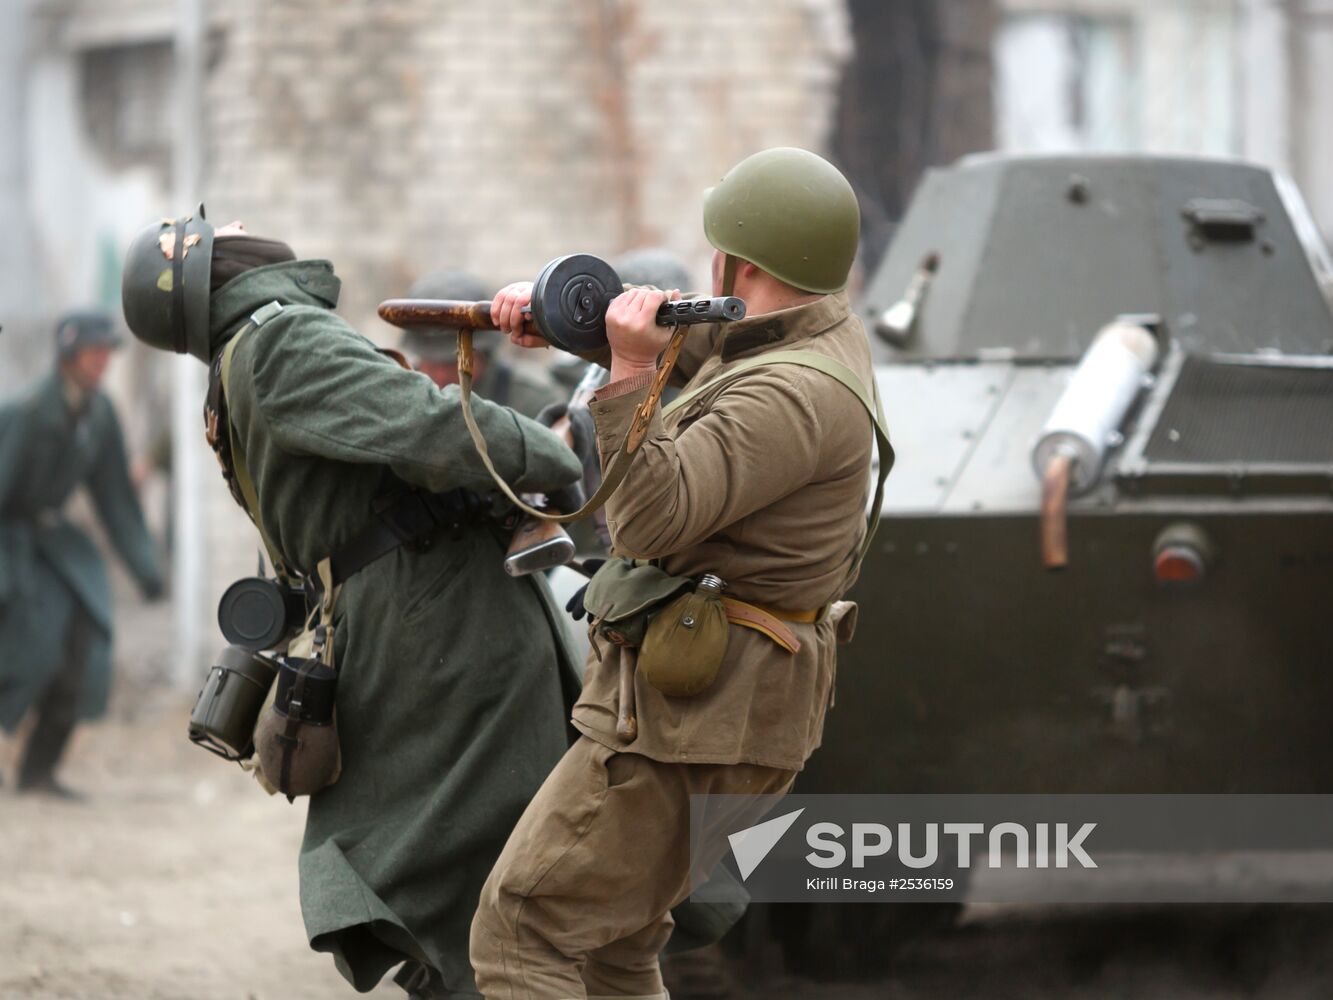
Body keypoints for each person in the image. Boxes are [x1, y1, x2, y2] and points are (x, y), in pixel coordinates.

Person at [119, 209, 584, 998]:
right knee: (497, 873)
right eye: (216, 227)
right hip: (444, 629)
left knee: (479, 873)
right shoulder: (279, 338)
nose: (235, 221)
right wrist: (551, 454)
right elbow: (429, 424)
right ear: (207, 270)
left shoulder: (241, 361)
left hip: (405, 623)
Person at [471, 147, 888, 999]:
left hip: (689, 723)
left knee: (523, 931)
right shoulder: (806, 329)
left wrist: (625, 374)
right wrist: (571, 317)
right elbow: (712, 342)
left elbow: (652, 516)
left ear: (739, 261)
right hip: (718, 714)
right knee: (615, 945)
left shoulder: (794, 396)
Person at [0, 310, 163, 797]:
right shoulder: (27, 412)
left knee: (83, 640)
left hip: (52, 544)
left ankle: (38, 771)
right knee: (21, 648)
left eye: (106, 354)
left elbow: (115, 494)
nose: (101, 363)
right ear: (68, 355)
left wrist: (145, 567)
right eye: (92, 353)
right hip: (9, 542)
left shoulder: (99, 413)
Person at [402, 270, 567, 418]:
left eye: (454, 363)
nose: (441, 375)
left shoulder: (535, 401)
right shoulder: (404, 395)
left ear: (483, 352)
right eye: (430, 364)